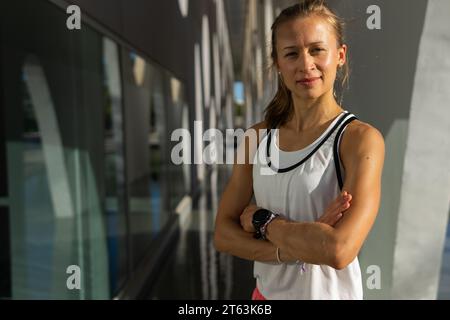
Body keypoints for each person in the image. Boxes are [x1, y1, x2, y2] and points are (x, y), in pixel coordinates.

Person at [214, 0, 385, 300]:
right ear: (278, 63)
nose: (306, 65)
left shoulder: (359, 139)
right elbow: (223, 234)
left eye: (317, 50)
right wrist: (299, 242)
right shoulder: (257, 138)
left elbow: (338, 250)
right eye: (291, 53)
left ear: (340, 55)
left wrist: (262, 221)